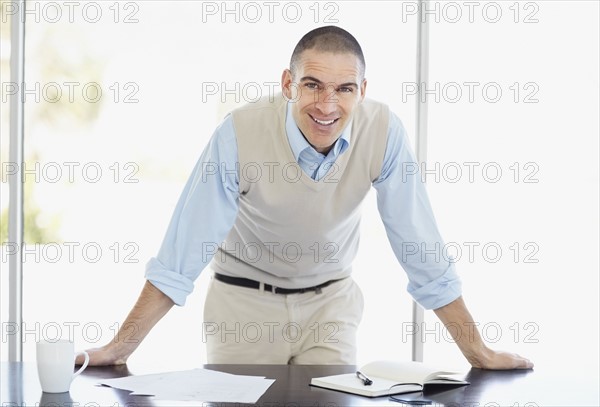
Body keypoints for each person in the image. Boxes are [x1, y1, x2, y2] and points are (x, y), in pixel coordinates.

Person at [82, 26, 533, 369]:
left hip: (330, 305)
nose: (327, 105)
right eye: (313, 84)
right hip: (243, 306)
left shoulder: (383, 131)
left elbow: (420, 246)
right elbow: (182, 252)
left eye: (344, 89)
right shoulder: (239, 132)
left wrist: (478, 351)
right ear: (288, 84)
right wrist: (120, 348)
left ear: (362, 91)